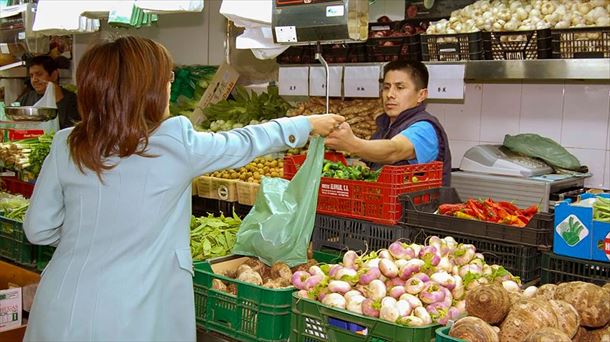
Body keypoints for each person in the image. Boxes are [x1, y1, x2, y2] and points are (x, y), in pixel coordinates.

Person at [22, 36, 344, 341]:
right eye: (168, 79)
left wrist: (91, 238)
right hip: (129, 319)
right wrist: (306, 124)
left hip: (59, 309)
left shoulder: (67, 143)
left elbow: (38, 230)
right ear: (145, 91)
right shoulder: (173, 144)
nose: (169, 86)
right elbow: (244, 142)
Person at [326, 60, 451, 185]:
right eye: (386, 87)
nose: (390, 94)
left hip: (418, 204)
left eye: (400, 87)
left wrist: (352, 144)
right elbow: (369, 161)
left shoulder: (425, 128)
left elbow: (393, 150)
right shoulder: (385, 126)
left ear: (421, 95)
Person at [17, 55, 80, 129]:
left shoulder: (71, 99)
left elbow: (71, 129)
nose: (34, 80)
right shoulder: (27, 98)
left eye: (39, 74)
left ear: (54, 75)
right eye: (31, 76)